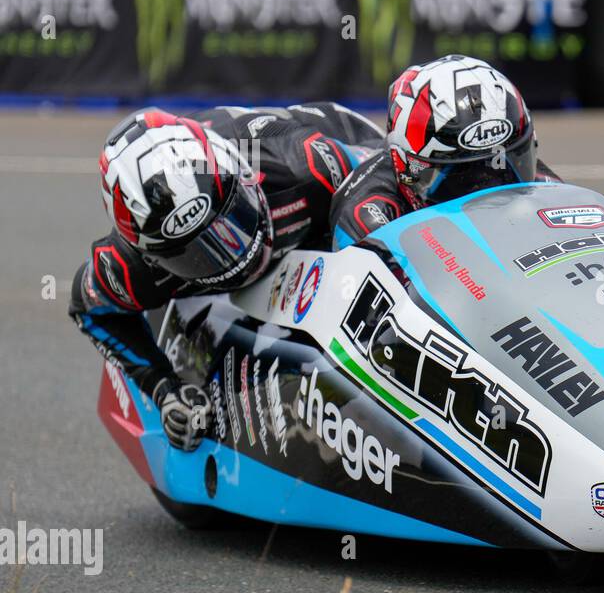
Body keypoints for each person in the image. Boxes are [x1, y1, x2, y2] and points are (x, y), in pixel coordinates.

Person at [69, 103, 383, 450]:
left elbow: (387, 178)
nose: (230, 252)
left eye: (234, 215)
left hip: (349, 143)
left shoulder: (304, 164)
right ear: (151, 254)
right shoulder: (128, 267)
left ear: (240, 173)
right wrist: (164, 390)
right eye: (192, 255)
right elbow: (88, 308)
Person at [330, 55, 561, 249]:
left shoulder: (546, 188)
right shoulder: (369, 214)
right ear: (407, 167)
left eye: (505, 166)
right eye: (464, 176)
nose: (491, 190)